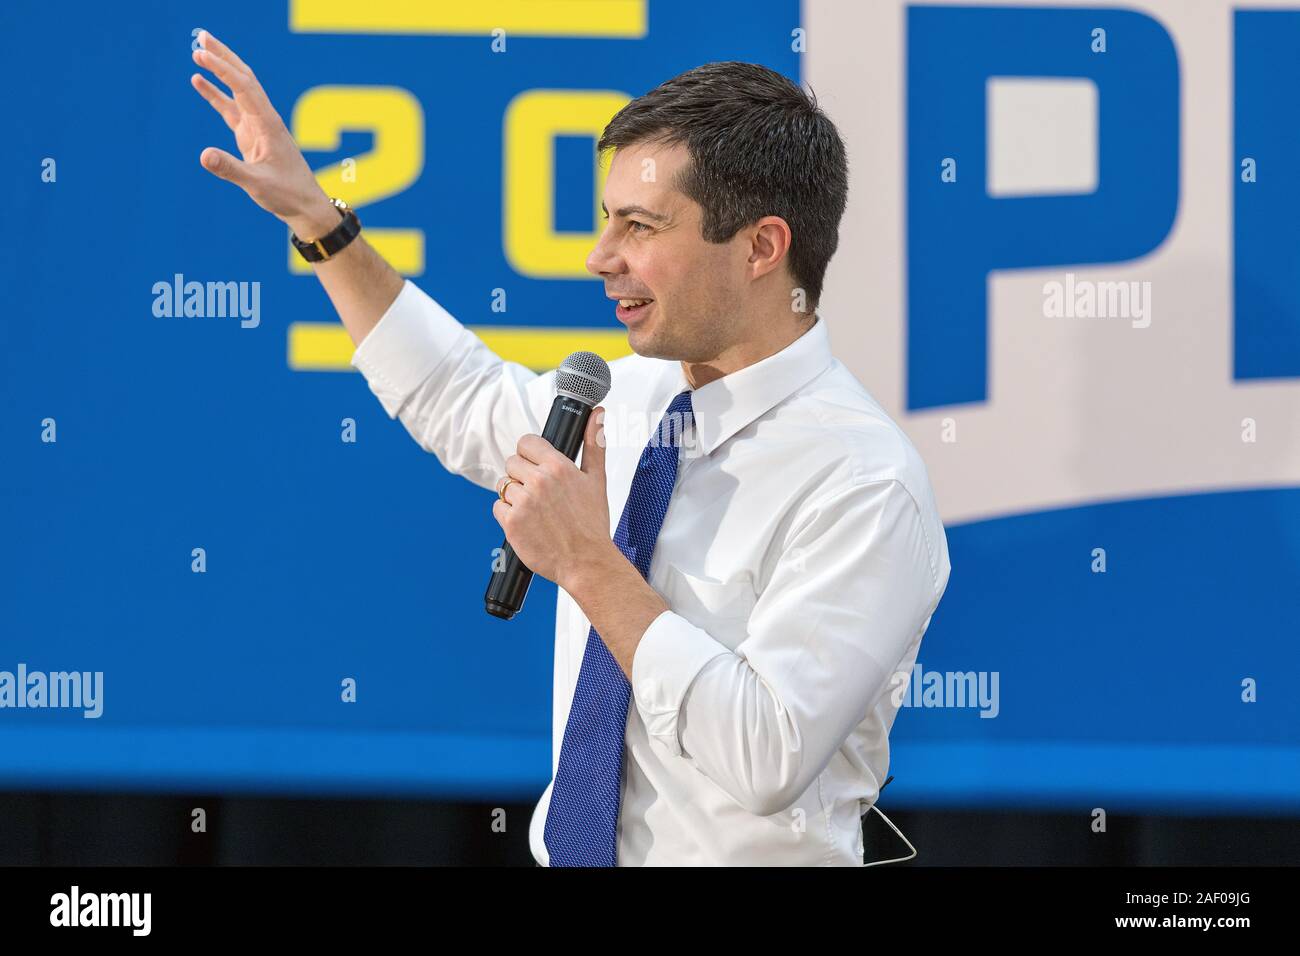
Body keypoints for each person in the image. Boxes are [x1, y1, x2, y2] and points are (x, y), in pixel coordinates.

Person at [190, 30, 951, 866]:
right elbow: (459, 394)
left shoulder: (863, 480)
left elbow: (766, 754)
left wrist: (589, 563)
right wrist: (319, 224)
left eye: (640, 225)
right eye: (606, 221)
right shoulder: (628, 398)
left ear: (763, 248)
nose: (601, 257)